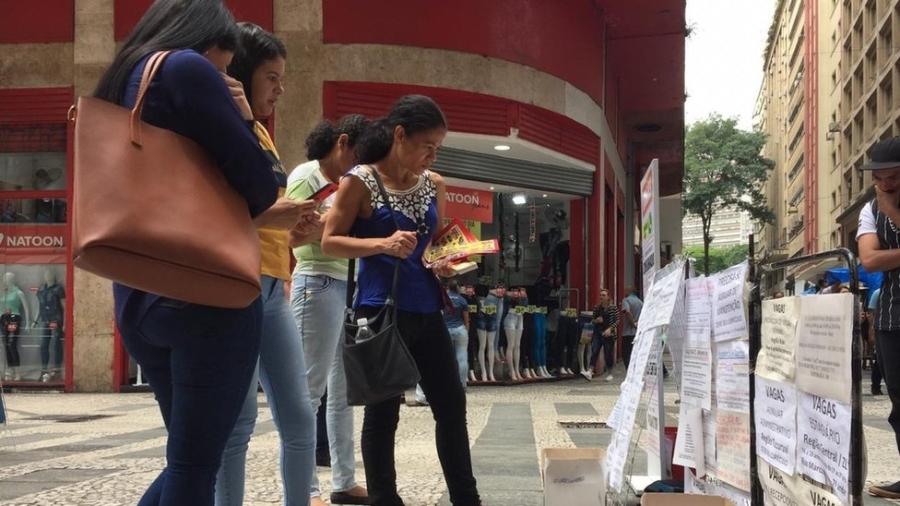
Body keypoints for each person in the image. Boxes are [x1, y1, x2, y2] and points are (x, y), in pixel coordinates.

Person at [94, 1, 291, 504]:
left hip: (140, 298)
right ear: (211, 44)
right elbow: (262, 185)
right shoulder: (186, 67)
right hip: (206, 294)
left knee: (188, 461)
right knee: (195, 466)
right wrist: (243, 115)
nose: (224, 78)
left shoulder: (126, 76)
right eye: (226, 68)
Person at [321, 95, 481, 506]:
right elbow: (330, 241)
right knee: (382, 412)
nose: (431, 155)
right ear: (399, 134)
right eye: (426, 145)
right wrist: (382, 243)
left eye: (438, 148)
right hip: (379, 310)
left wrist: (445, 263)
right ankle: (384, 500)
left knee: (451, 407)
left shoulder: (435, 184)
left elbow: (436, 245)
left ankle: (467, 498)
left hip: (428, 308)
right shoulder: (360, 180)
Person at [214, 23, 321, 506]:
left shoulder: (257, 129)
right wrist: (277, 216)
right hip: (237, 283)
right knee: (237, 423)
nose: (280, 89)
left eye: (282, 79)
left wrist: (294, 232)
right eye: (272, 77)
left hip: (275, 285)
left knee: (299, 415)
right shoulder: (224, 127)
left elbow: (262, 210)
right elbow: (224, 210)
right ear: (241, 73)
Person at [287, 113, 372, 506]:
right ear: (342, 143)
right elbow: (293, 235)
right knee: (309, 392)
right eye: (357, 154)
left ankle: (343, 480)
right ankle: (305, 489)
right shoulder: (308, 176)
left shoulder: (347, 183)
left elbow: (324, 229)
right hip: (316, 280)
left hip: (344, 283)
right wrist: (335, 224)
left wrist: (330, 223)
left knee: (342, 393)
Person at [855, 136, 900, 499]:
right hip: (891, 315)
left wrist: (894, 214)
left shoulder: (884, 209)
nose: (886, 184)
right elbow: (869, 260)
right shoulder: (869, 209)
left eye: (894, 177)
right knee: (899, 402)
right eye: (880, 178)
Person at [590, 289, 617, 381]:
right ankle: (590, 370)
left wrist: (610, 329)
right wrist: (596, 320)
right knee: (594, 350)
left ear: (608, 297)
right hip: (598, 332)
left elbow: (617, 321)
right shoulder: (596, 308)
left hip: (608, 333)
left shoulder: (613, 308)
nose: (601, 297)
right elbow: (592, 319)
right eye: (601, 295)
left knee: (608, 353)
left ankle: (610, 373)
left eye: (604, 295)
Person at [620, 286, 643, 368]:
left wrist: (633, 323)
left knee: (625, 354)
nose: (624, 291)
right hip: (637, 333)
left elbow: (627, 312)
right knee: (636, 353)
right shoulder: (640, 302)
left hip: (628, 333)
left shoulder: (626, 300)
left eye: (626, 289)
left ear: (630, 291)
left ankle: (629, 371)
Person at [869, 287, 884, 396]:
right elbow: (872, 315)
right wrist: (872, 332)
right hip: (880, 329)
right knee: (879, 359)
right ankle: (875, 386)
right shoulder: (878, 292)